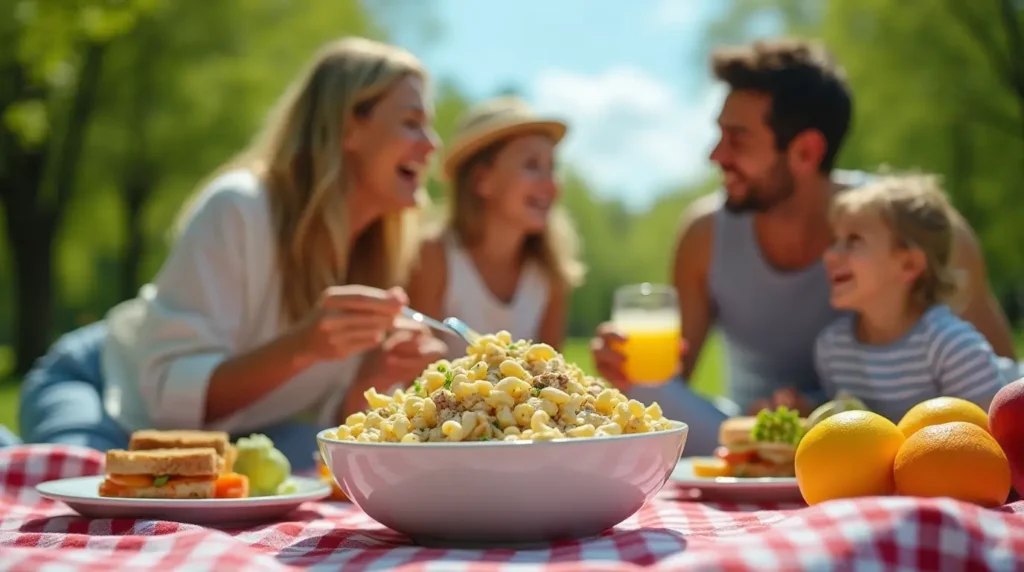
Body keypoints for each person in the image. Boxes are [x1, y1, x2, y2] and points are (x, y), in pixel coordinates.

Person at [18, 37, 447, 470]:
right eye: (412, 123)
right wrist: (303, 347)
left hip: (226, 434)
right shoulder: (239, 207)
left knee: (334, 471)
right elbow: (169, 399)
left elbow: (338, 420)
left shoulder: (385, 254)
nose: (431, 145)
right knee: (77, 483)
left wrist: (378, 378)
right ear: (348, 126)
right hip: (107, 390)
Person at [589, 39, 1015, 456]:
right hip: (751, 429)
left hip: (891, 437)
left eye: (737, 139)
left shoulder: (920, 228)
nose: (715, 155)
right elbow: (666, 384)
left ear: (806, 151)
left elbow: (1003, 395)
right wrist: (627, 372)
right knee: (648, 392)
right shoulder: (704, 235)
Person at [815, 174, 1006, 421]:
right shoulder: (833, 349)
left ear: (908, 264)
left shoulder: (951, 347)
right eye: (835, 240)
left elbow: (992, 437)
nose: (829, 255)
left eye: (853, 240)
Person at [406, 97, 585, 357]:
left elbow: (554, 375)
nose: (551, 184)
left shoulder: (551, 273)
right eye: (532, 165)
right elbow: (417, 373)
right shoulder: (434, 256)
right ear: (482, 181)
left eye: (552, 168)